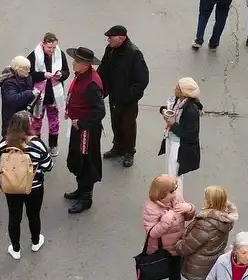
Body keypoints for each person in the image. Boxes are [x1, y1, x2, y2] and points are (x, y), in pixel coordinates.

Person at [175, 185, 239, 280]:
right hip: (213, 264)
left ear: (210, 201)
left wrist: (178, 245)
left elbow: (187, 246)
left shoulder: (205, 224)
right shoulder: (226, 219)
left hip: (197, 267)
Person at [0, 110, 52, 258]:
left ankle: (15, 249)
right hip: (34, 188)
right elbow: (48, 166)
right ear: (28, 126)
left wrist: (2, 185)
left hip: (11, 189)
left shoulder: (3, 144)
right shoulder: (37, 144)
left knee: (14, 217)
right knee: (34, 215)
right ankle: (35, 241)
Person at [140, 174, 195, 280]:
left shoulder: (176, 199)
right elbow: (152, 232)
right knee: (151, 277)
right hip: (158, 249)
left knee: (175, 274)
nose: (175, 194)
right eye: (171, 191)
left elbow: (188, 217)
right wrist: (168, 218)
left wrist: (189, 208)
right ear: (162, 193)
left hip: (177, 247)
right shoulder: (150, 208)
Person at [63, 45, 107, 214]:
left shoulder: (92, 84)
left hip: (86, 131)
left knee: (86, 162)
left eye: (77, 61)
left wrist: (81, 123)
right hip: (79, 128)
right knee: (78, 159)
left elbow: (99, 111)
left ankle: (86, 198)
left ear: (86, 65)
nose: (73, 63)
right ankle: (81, 189)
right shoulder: (82, 75)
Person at [98, 25, 150, 166]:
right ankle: (118, 147)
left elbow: (142, 80)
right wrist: (98, 86)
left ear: (121, 38)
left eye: (110, 37)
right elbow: (103, 68)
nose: (108, 40)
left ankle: (129, 151)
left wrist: (130, 96)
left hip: (128, 100)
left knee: (128, 126)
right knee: (116, 123)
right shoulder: (110, 49)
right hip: (114, 95)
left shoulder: (134, 54)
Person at [27, 32, 66, 154]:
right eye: (49, 47)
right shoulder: (34, 55)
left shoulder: (60, 54)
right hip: (39, 95)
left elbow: (66, 72)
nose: (52, 50)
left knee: (54, 122)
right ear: (43, 43)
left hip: (53, 95)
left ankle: (53, 145)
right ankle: (37, 146)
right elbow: (28, 75)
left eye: (54, 47)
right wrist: (43, 75)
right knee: (36, 122)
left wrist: (61, 75)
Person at [160, 78, 203, 184]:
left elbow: (190, 136)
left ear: (184, 92)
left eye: (178, 87)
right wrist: (163, 110)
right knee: (169, 171)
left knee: (174, 176)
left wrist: (172, 124)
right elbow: (170, 107)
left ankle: (174, 193)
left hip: (179, 147)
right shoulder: (178, 100)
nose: (175, 88)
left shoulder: (191, 111)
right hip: (171, 139)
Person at [0, 55, 39, 130]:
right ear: (18, 69)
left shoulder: (27, 77)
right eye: (26, 69)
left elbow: (27, 96)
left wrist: (35, 97)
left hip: (25, 118)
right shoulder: (9, 83)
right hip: (12, 121)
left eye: (29, 68)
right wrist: (30, 93)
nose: (29, 71)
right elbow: (12, 99)